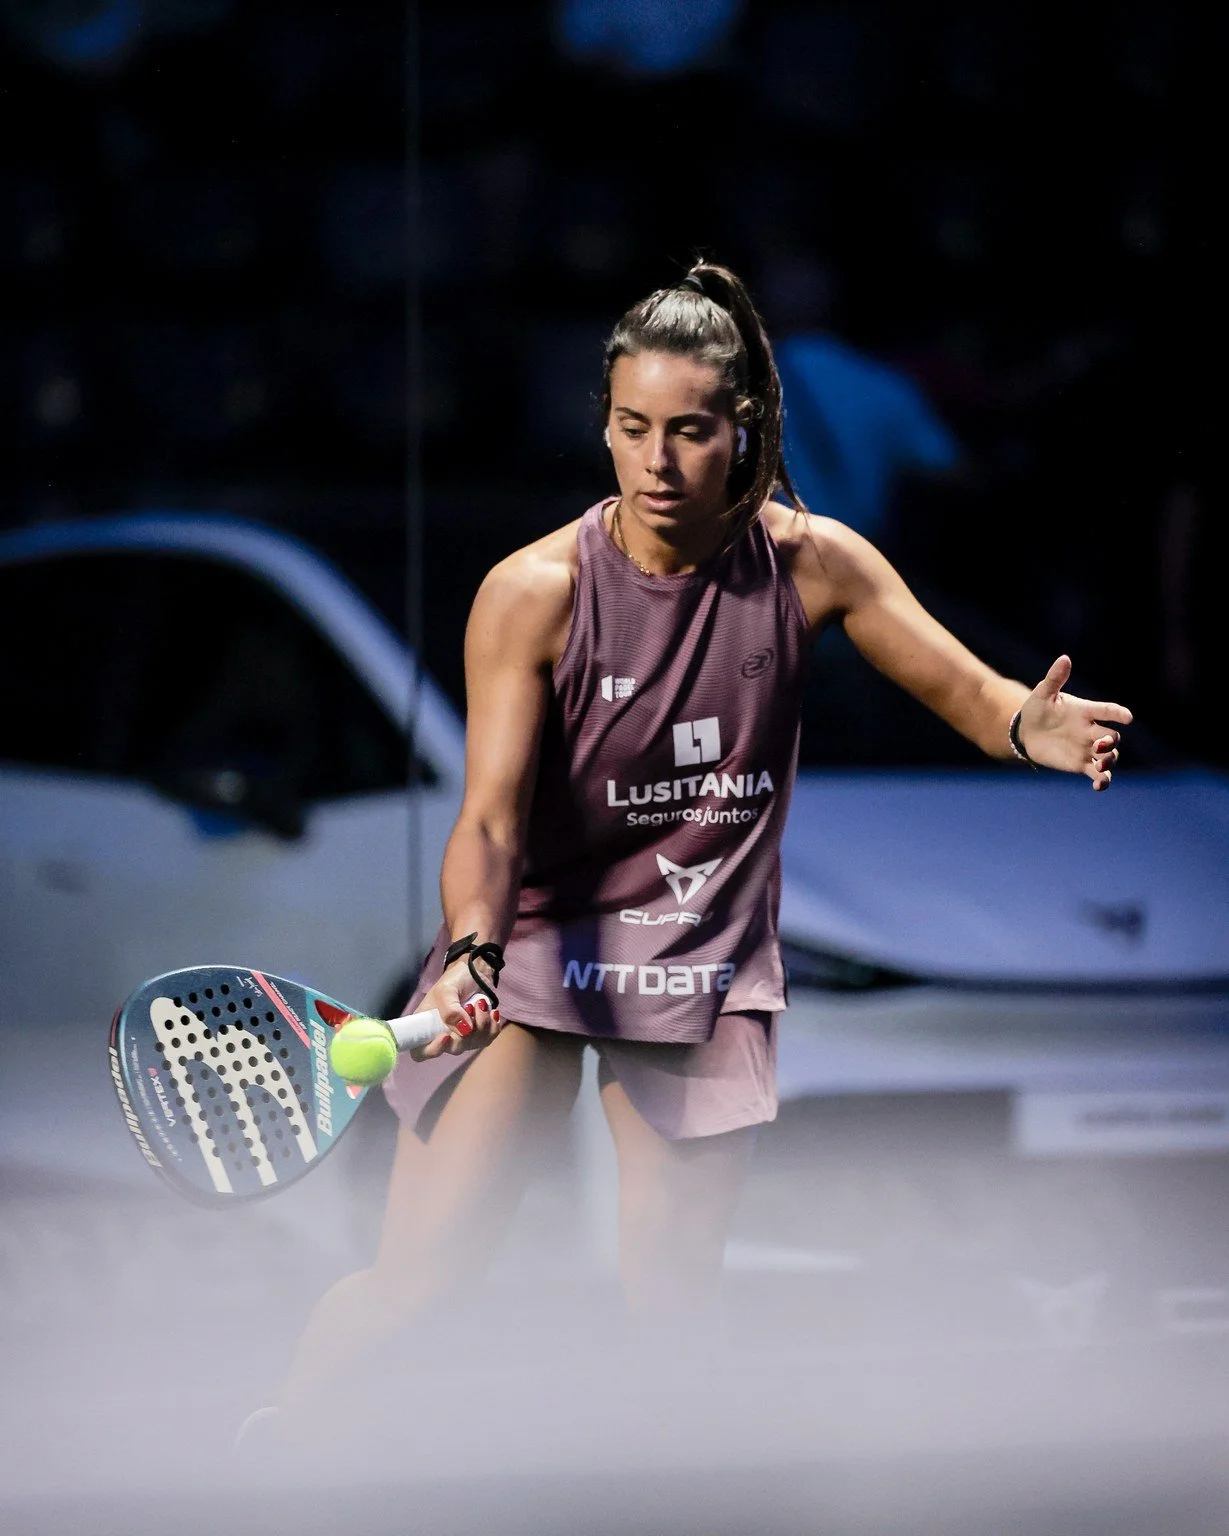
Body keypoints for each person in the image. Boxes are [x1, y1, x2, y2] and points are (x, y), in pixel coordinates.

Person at [257, 260, 1130, 1435]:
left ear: (744, 429)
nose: (657, 463)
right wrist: (470, 953)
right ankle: (276, 1458)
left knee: (674, 1310)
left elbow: (976, 697)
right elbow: (491, 816)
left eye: (688, 431)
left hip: (695, 966)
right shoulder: (535, 591)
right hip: (525, 956)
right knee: (419, 1282)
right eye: (630, 430)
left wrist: (1030, 723)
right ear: (605, 430)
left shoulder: (817, 564)